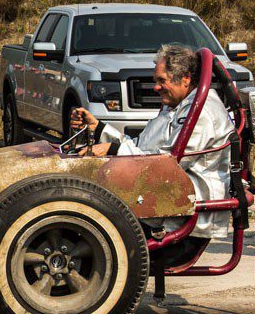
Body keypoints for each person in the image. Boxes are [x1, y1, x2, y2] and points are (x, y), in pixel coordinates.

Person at [70, 44, 234, 246]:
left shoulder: (202, 113)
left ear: (186, 79)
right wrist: (98, 128)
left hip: (181, 215)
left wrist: (112, 150)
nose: (156, 87)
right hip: (160, 199)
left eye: (161, 81)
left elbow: (169, 165)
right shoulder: (175, 107)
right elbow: (141, 147)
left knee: (97, 207)